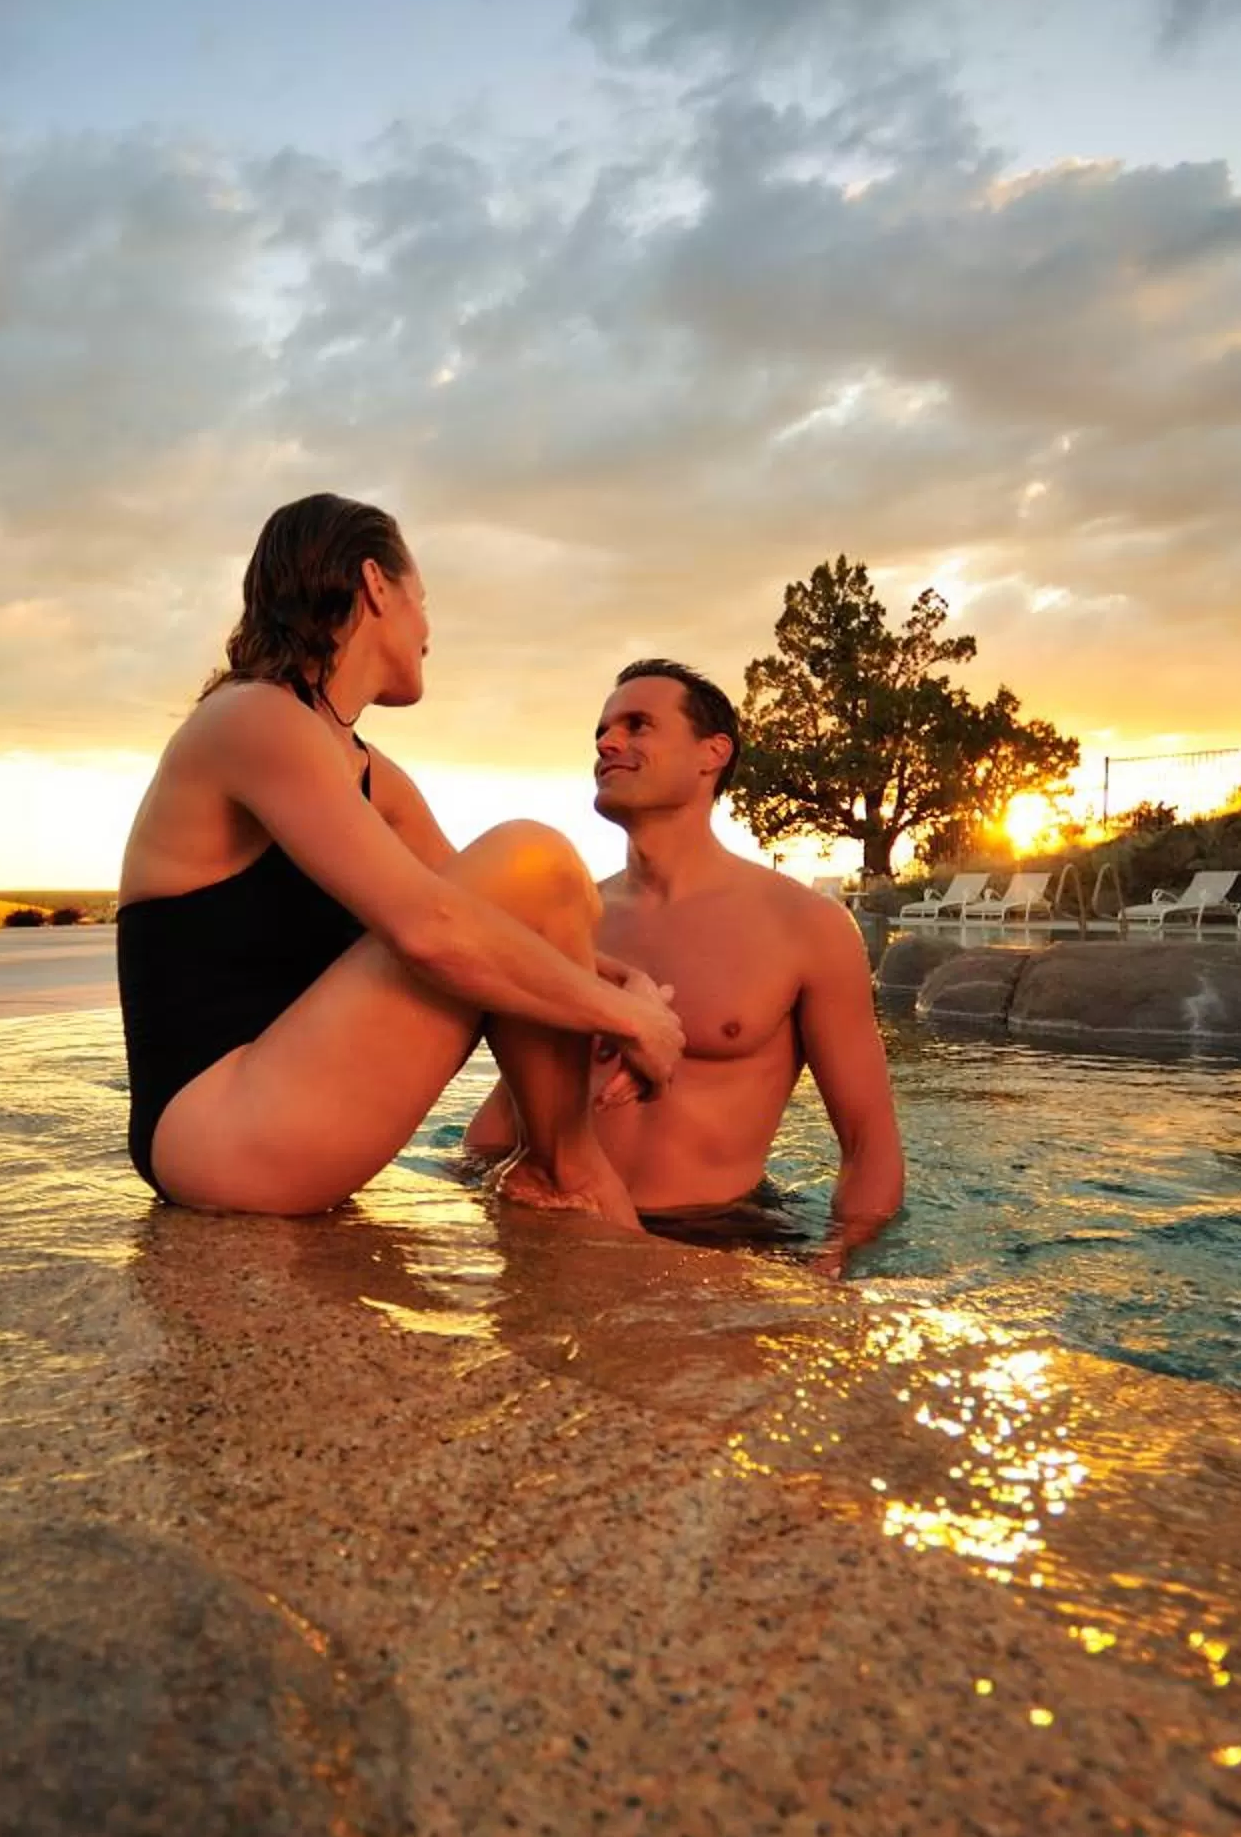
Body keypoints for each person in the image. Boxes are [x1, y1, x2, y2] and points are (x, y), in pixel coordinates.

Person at [117, 494, 687, 1222]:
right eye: (422, 599)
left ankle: (557, 1170)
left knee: (539, 877)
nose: (429, 631)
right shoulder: (252, 719)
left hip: (270, 1111)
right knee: (534, 855)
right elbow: (432, 930)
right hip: (214, 1133)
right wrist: (631, 1021)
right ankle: (567, 1172)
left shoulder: (364, 769)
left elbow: (505, 922)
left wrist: (630, 985)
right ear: (375, 585)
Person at [465, 660, 904, 1269]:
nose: (607, 743)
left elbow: (869, 1143)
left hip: (717, 1239)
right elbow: (500, 1117)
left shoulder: (807, 927)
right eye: (601, 731)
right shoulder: (572, 920)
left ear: (712, 753)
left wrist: (839, 1260)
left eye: (637, 725)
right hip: (556, 1225)